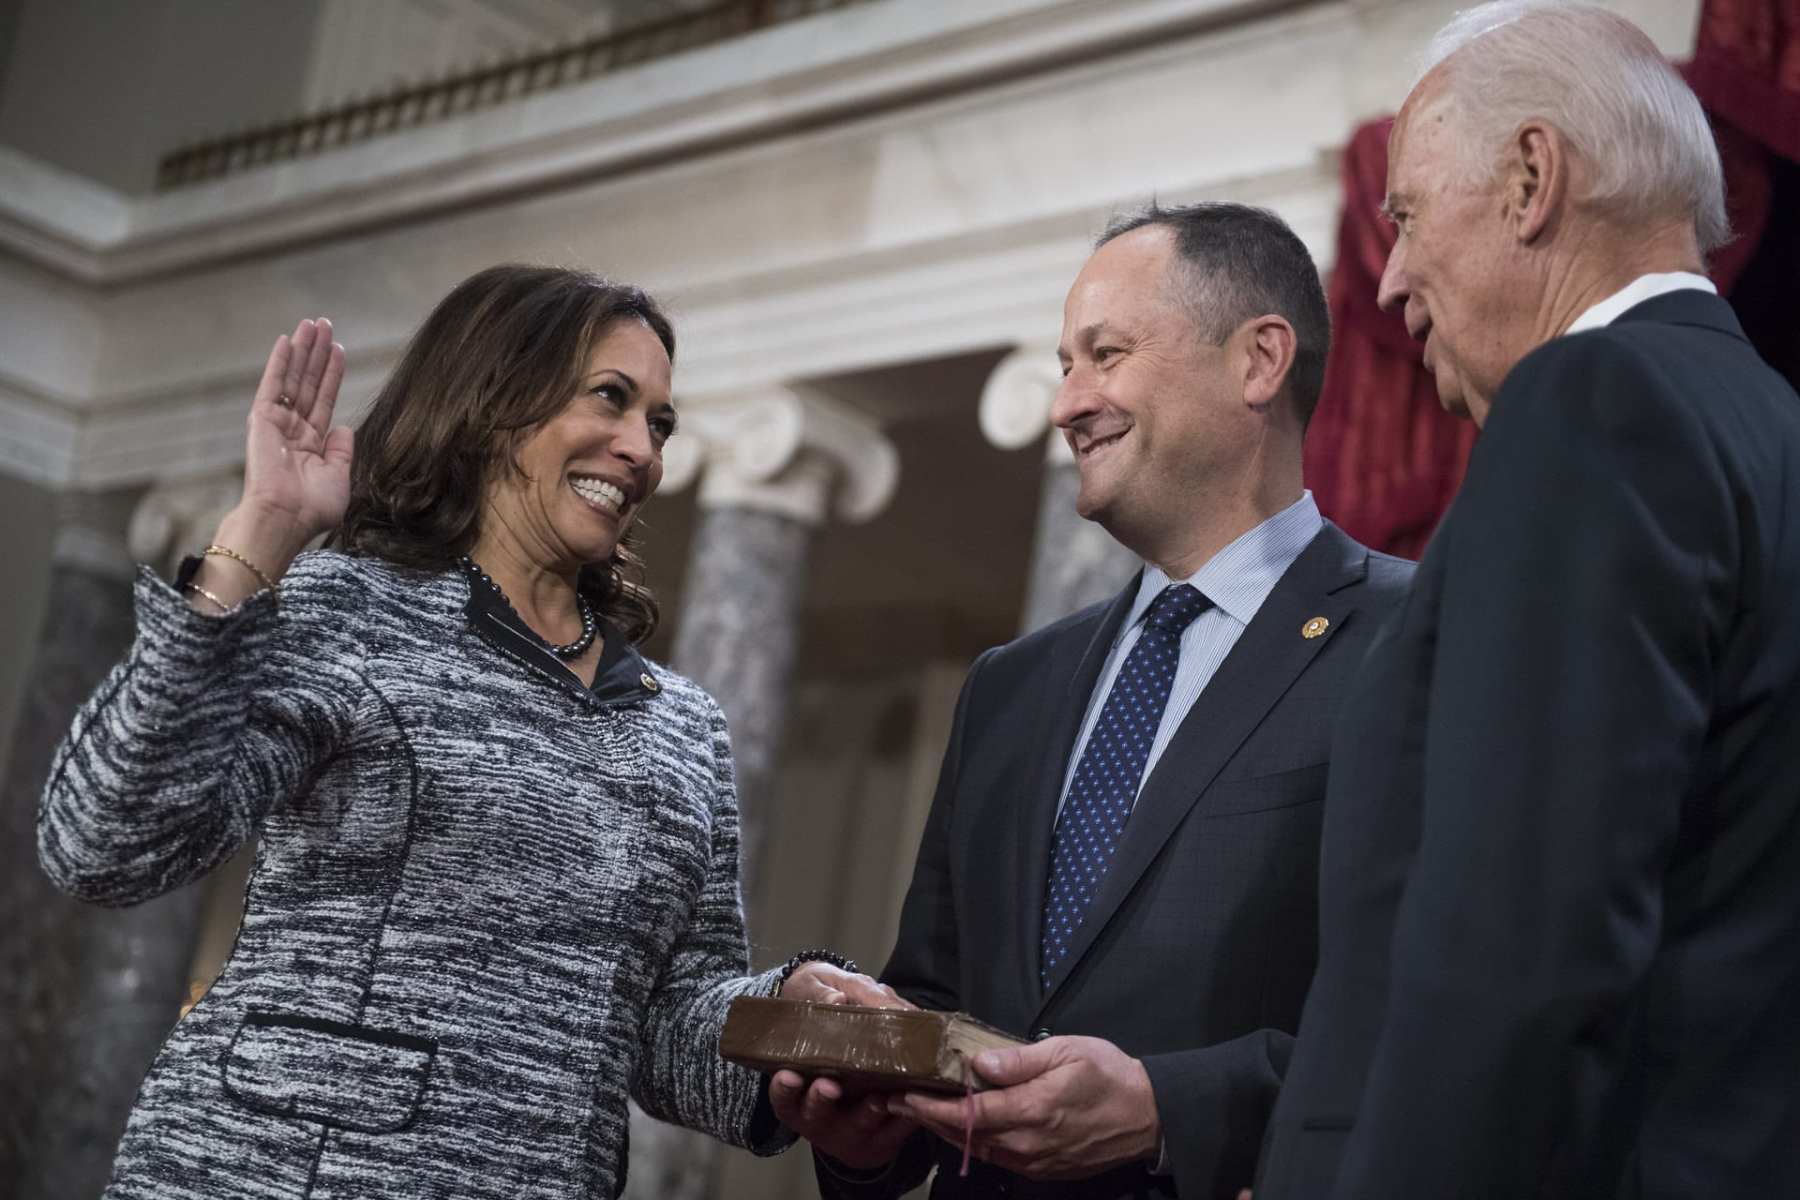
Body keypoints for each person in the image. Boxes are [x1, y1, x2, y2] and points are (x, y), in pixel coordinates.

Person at [37, 264, 886, 1200]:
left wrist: (784, 1022)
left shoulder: (682, 725)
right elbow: (104, 843)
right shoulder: (347, 610)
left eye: (659, 424)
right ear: (494, 404)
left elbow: (669, 1023)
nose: (641, 449)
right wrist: (262, 533)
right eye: (610, 398)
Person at [1255, 4, 1800, 1198]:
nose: (1390, 279)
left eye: (1405, 216)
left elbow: (1520, 953)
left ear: (1532, 179)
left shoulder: (1597, 407)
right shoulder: (1766, 429)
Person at [773, 203, 1414, 1200]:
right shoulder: (1009, 688)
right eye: (1066, 365)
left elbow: (1435, 1019)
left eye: (1103, 356)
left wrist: (1169, 1109)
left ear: (1259, 361)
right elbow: (939, 1002)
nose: (1067, 404)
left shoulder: (1417, 638)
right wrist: (867, 1135)